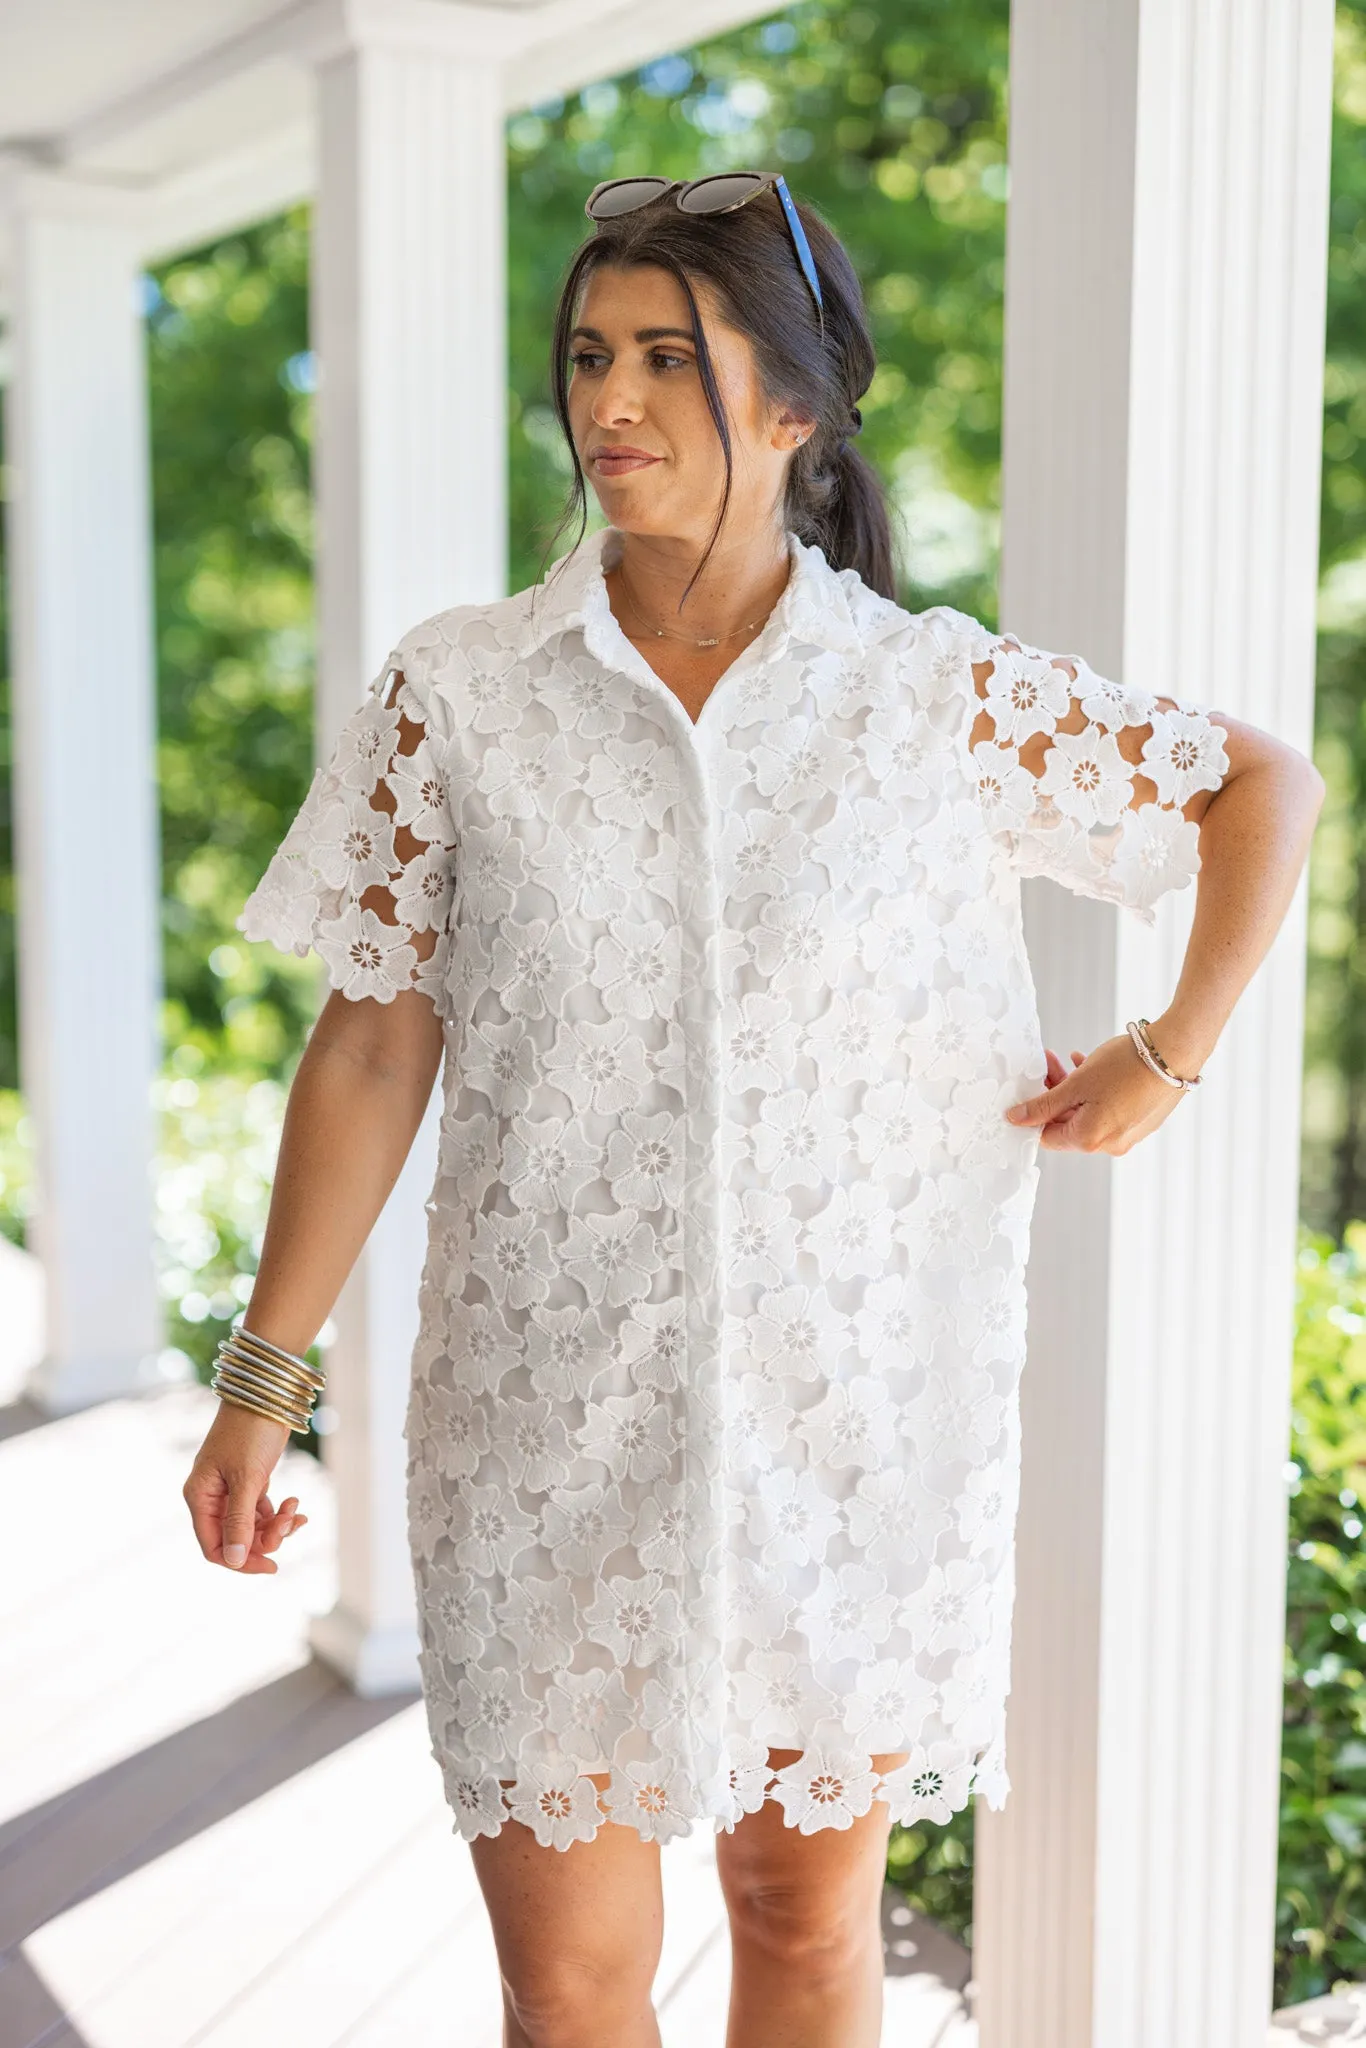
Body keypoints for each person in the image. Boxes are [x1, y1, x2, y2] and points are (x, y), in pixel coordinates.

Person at [181, 172, 1324, 2048]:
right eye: (585, 358)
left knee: (805, 1924)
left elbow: (1255, 788)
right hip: (544, 1426)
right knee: (565, 1988)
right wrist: (262, 1376)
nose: (606, 404)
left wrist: (1166, 1049)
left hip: (857, 1430)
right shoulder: (458, 694)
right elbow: (375, 1044)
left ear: (794, 407)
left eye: (661, 361)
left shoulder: (930, 698)